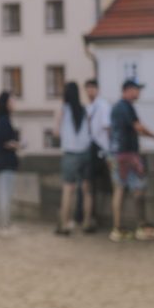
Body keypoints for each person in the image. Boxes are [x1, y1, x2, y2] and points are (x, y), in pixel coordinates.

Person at [109, 79, 154, 242]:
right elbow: (138, 127)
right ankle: (142, 226)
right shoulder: (126, 107)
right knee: (139, 189)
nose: (139, 93)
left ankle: (117, 228)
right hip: (129, 154)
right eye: (137, 89)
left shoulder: (116, 107)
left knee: (119, 189)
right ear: (128, 90)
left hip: (117, 153)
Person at [53, 82, 94, 235]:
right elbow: (89, 131)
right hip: (86, 152)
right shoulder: (84, 109)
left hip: (70, 153)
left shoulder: (62, 109)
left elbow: (56, 132)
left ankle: (64, 225)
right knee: (87, 190)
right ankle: (87, 223)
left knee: (68, 190)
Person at [0, 91, 20, 237]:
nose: (14, 104)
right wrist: (16, 145)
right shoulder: (5, 121)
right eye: (12, 101)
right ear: (6, 103)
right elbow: (4, 142)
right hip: (7, 162)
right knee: (5, 195)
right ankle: (5, 226)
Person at [84, 79, 111, 228]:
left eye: (92, 88)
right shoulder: (90, 107)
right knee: (92, 186)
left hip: (101, 150)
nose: (90, 91)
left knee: (98, 186)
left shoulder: (102, 106)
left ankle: (93, 218)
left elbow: (107, 127)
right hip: (93, 149)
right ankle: (91, 218)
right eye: (88, 88)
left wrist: (110, 150)